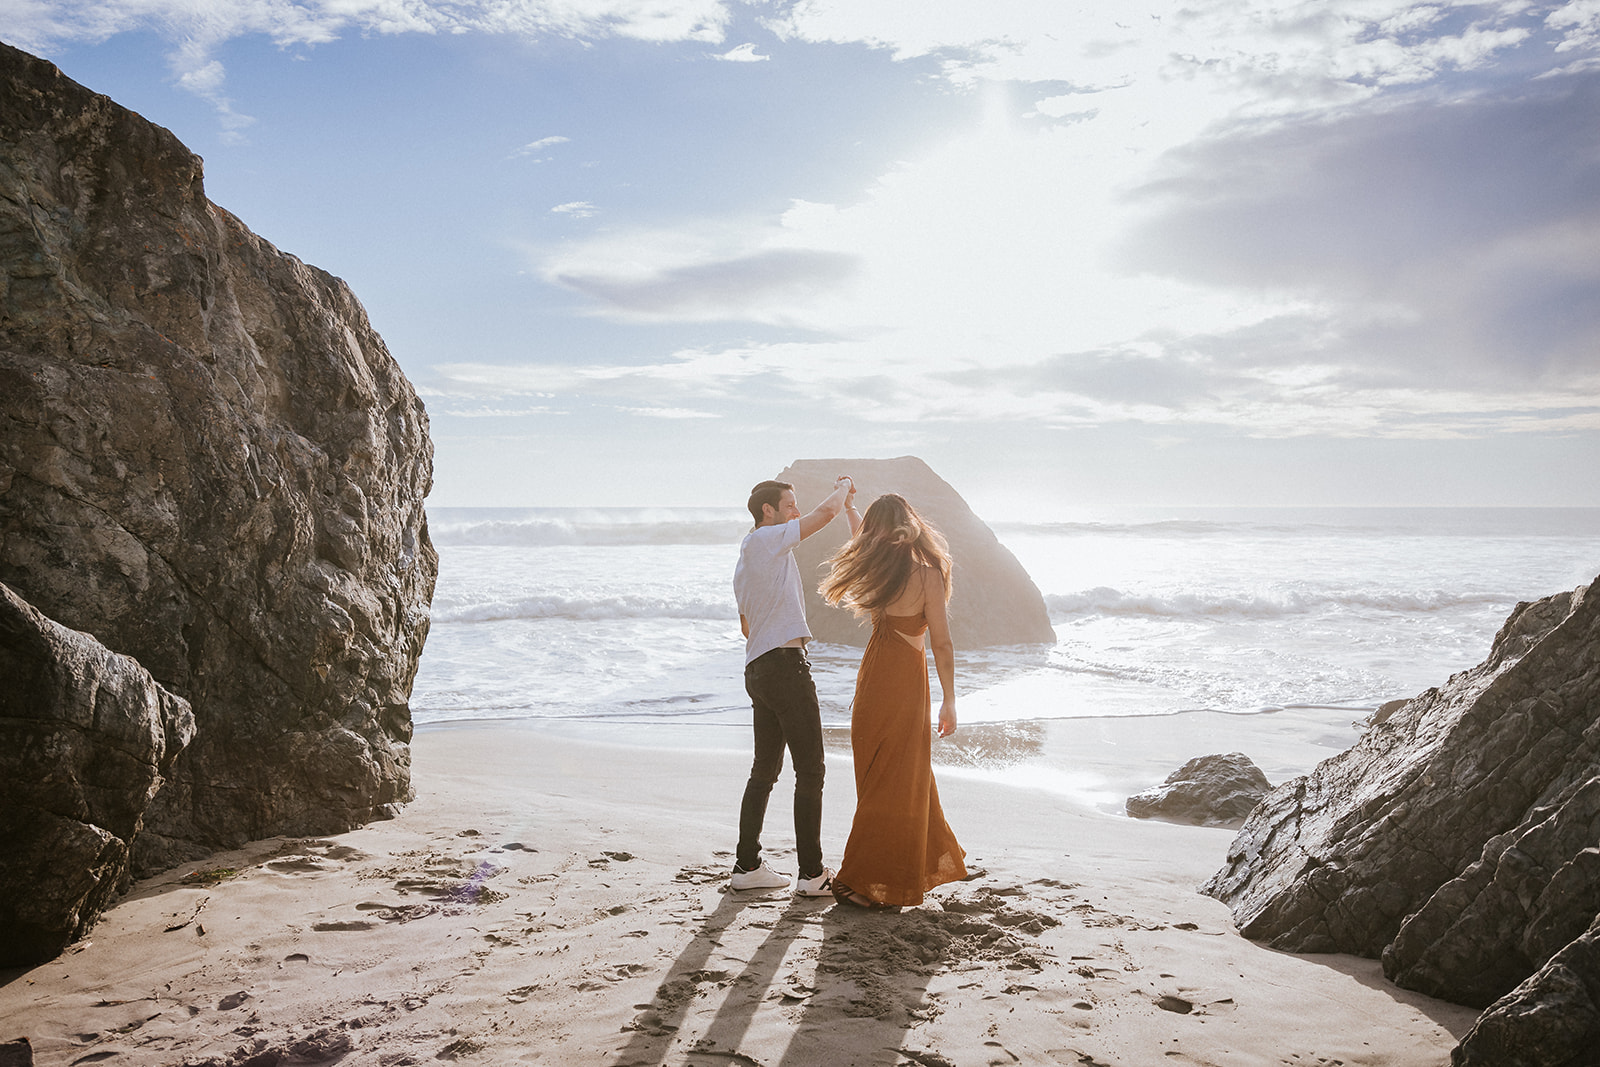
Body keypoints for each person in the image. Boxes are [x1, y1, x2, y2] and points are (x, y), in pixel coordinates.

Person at [819, 493, 967, 908]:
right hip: (904, 681)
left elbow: (859, 538)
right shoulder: (928, 575)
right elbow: (943, 644)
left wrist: (851, 509)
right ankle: (872, 881)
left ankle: (878, 877)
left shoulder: (877, 567)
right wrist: (950, 700)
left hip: (874, 677)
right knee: (900, 776)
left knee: (878, 774)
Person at [729, 474, 855, 895]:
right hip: (784, 666)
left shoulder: (746, 560)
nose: (795, 512)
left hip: (758, 669)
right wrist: (844, 485)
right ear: (769, 511)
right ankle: (812, 874)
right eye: (789, 505)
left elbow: (746, 626)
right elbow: (826, 513)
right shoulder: (767, 540)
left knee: (764, 770)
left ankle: (747, 867)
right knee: (811, 770)